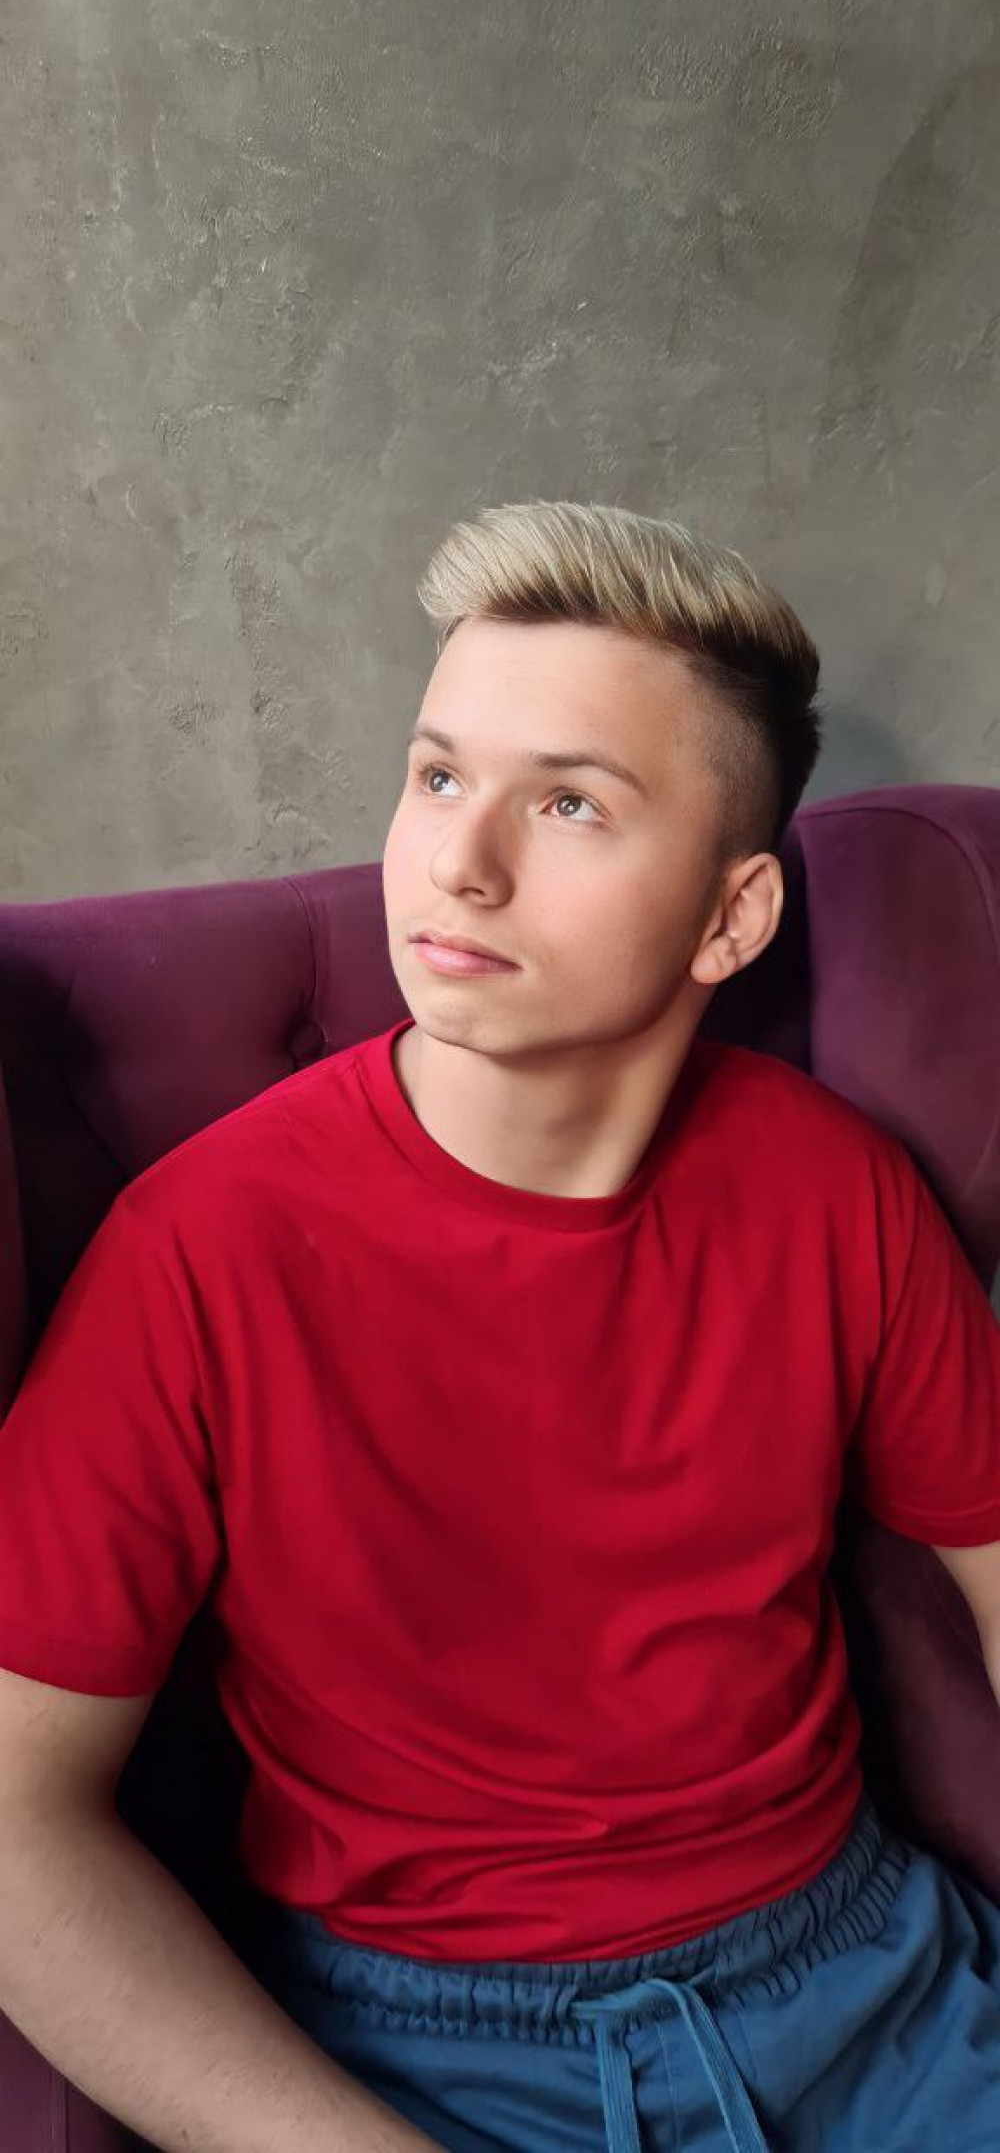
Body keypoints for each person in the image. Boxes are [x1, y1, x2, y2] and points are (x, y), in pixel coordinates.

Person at [0, 500, 998, 2153]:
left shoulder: (839, 1192)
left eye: (569, 802)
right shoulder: (197, 1249)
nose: (457, 862)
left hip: (866, 1988)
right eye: (439, 774)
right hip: (419, 2052)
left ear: (733, 916)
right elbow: (15, 1816)